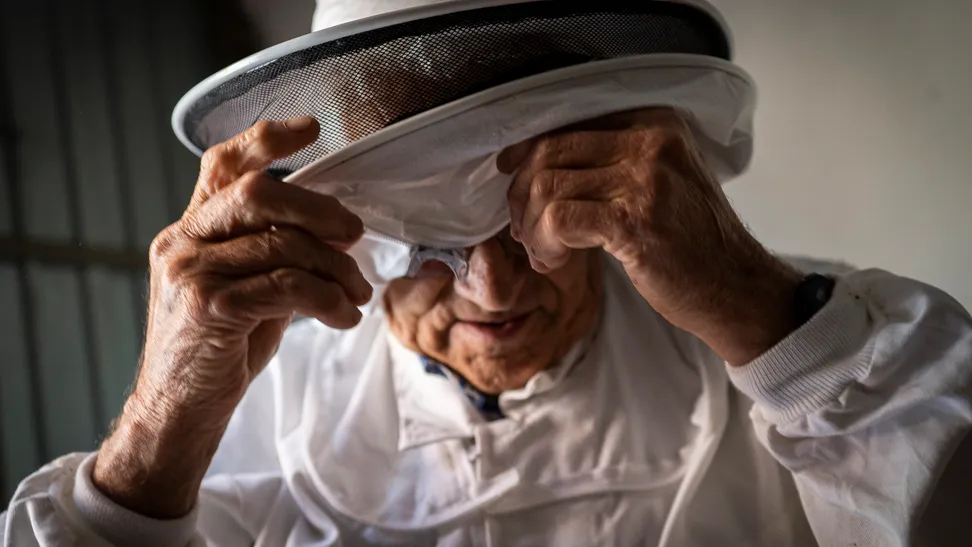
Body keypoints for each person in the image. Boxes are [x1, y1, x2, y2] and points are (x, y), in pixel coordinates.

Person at [4, 2, 972, 547]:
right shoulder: (248, 431)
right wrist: (157, 428)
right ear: (352, 226)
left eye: (543, 222)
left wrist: (773, 321)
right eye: (431, 243)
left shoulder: (803, 356)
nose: (497, 294)